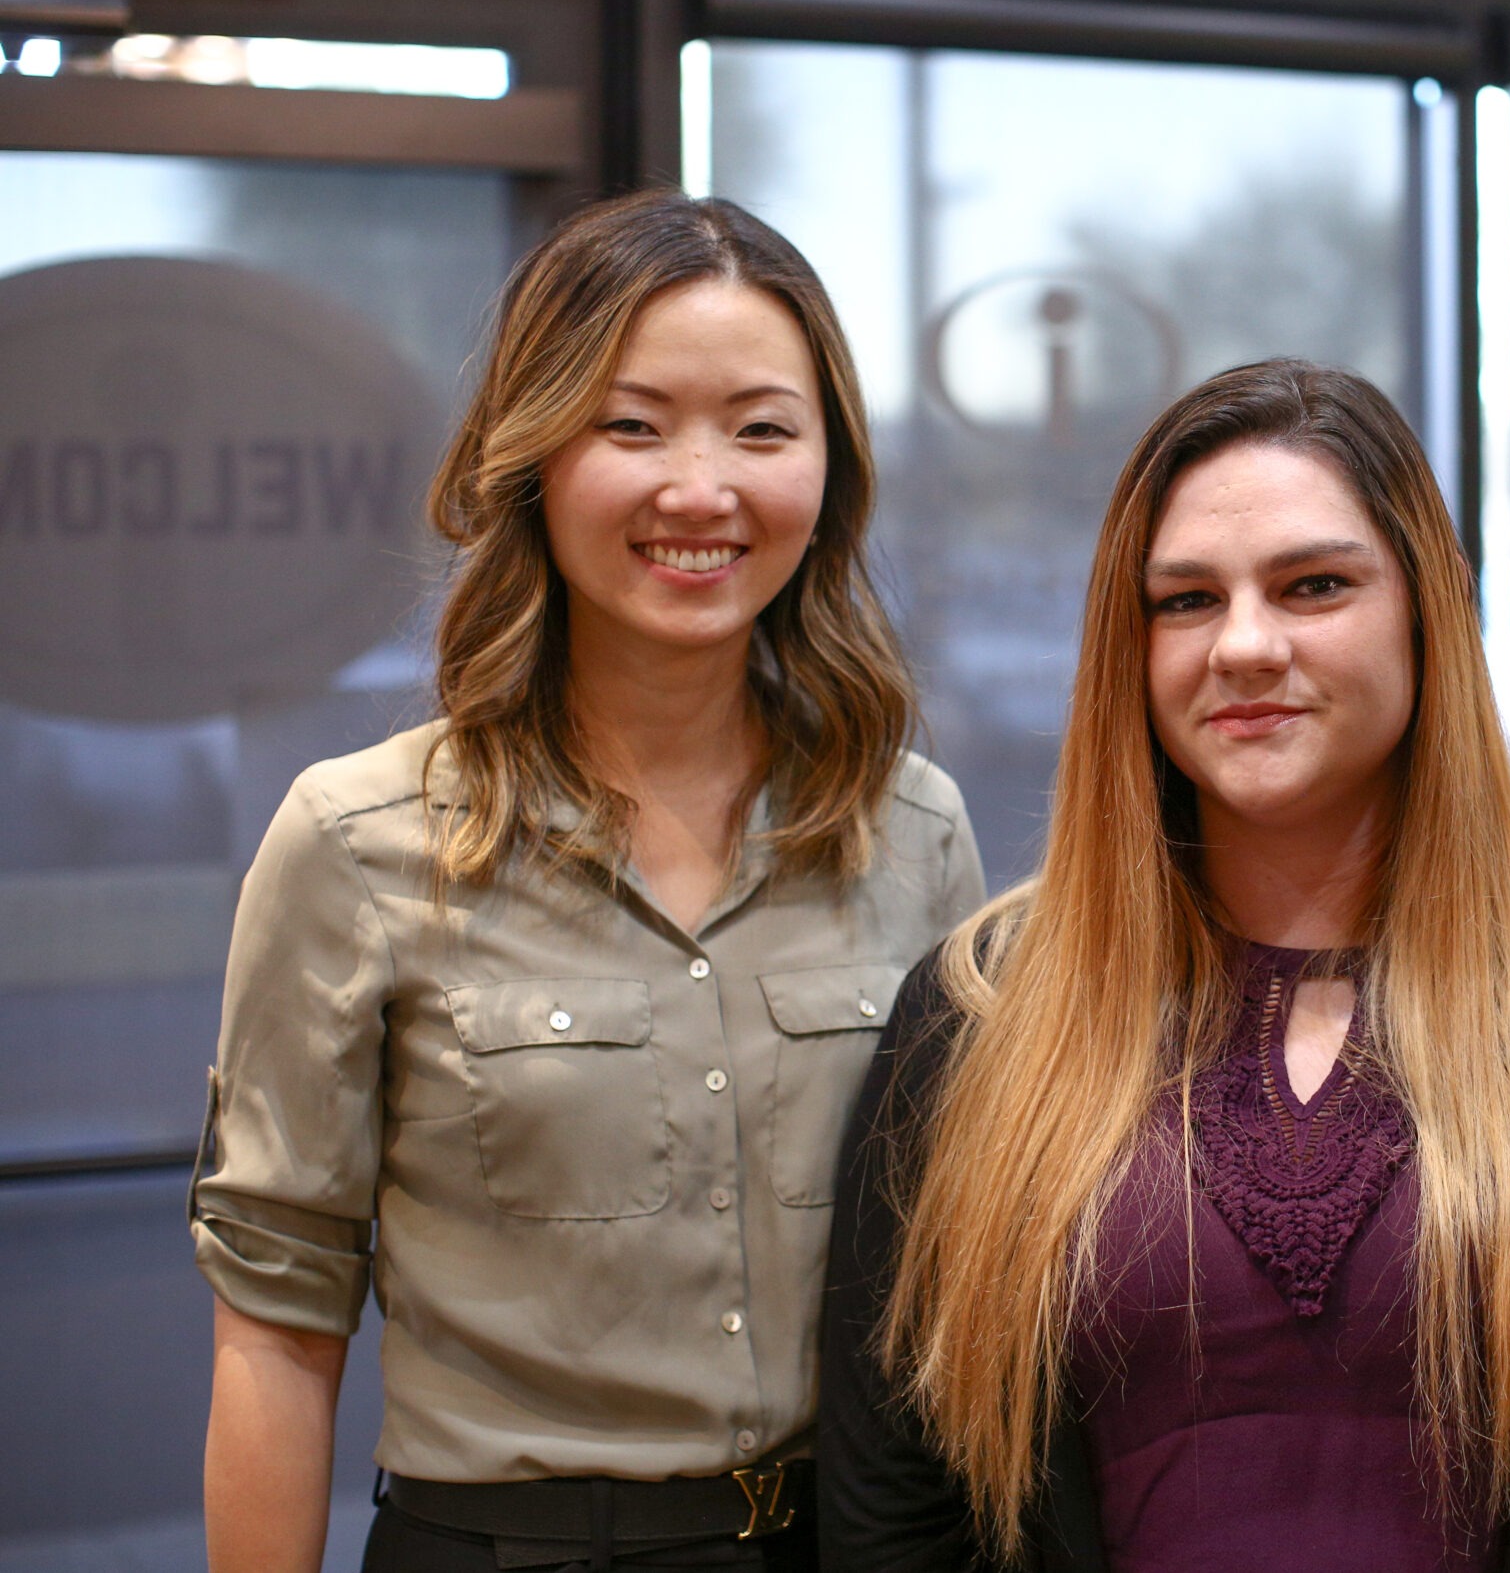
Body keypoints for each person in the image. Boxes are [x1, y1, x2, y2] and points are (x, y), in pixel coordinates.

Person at [817, 359, 1510, 1571]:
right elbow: (892, 1504)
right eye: (1186, 601)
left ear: (1430, 608)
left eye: (1314, 586)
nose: (1246, 646)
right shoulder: (983, 1012)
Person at [193, 191, 985, 1573]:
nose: (701, 486)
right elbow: (274, 1322)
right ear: (534, 453)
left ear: (829, 470)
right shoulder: (356, 839)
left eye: (760, 427)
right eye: (633, 424)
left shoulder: (912, 829)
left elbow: (971, 1286)